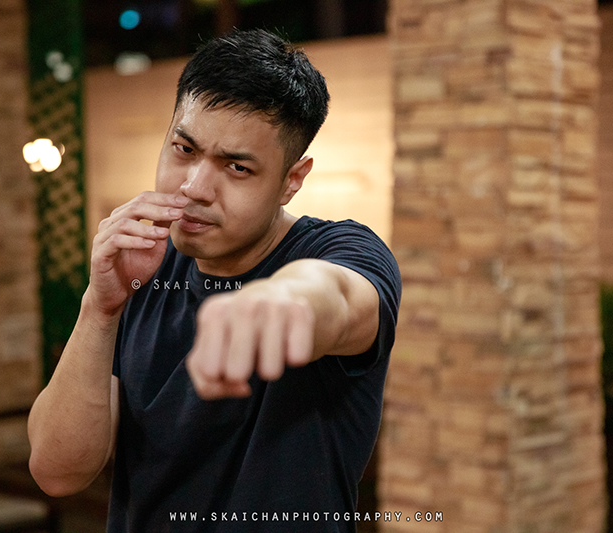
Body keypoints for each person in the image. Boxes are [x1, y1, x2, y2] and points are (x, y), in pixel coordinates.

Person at [27, 29, 400, 532]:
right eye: (184, 149)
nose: (194, 187)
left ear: (292, 180)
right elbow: (57, 472)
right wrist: (100, 306)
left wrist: (273, 299)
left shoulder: (342, 252)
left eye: (237, 167)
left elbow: (331, 297)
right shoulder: (143, 263)